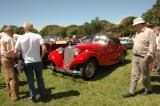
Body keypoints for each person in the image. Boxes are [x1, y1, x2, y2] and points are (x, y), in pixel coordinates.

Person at [122, 17, 156, 98]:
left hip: (143, 57)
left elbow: (153, 44)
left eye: (135, 25)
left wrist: (149, 55)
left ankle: (148, 90)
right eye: (134, 25)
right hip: (135, 56)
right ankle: (131, 92)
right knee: (134, 75)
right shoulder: (137, 32)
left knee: (145, 75)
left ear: (140, 24)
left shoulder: (149, 31)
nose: (134, 27)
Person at [15, 22, 47, 102]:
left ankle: (33, 97)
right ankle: (43, 95)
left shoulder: (20, 38)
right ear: (32, 28)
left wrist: (19, 58)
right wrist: (41, 57)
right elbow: (44, 48)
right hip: (37, 61)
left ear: (24, 28)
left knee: (30, 80)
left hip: (27, 62)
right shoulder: (38, 36)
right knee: (40, 78)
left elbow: (16, 51)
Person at [1, 26, 19, 102]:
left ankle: (10, 94)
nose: (14, 32)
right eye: (13, 31)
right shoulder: (9, 39)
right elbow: (12, 51)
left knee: (7, 77)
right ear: (9, 31)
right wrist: (17, 55)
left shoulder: (2, 39)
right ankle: (14, 97)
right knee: (13, 78)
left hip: (3, 59)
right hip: (9, 59)